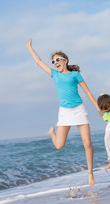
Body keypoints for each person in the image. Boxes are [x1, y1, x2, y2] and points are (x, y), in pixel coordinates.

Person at [26, 38, 100, 187]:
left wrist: (98, 108)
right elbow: (39, 62)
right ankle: (51, 133)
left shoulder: (75, 74)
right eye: (53, 61)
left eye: (58, 60)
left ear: (65, 60)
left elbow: (88, 93)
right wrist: (29, 47)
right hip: (65, 113)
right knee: (59, 145)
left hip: (79, 110)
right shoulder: (55, 74)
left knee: (87, 143)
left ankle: (90, 174)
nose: (55, 63)